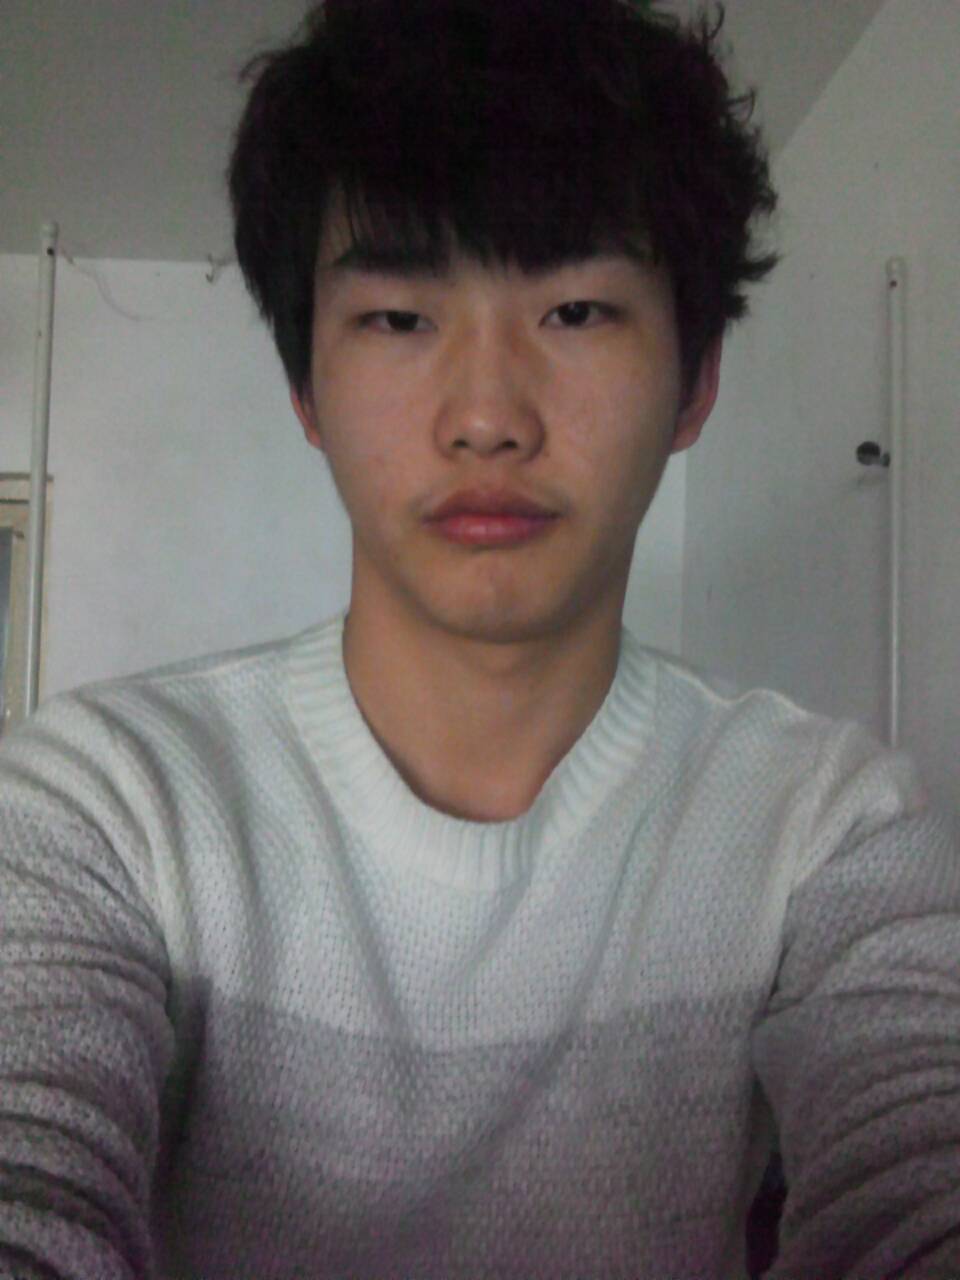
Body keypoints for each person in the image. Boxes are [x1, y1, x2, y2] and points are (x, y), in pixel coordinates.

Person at [1, 0, 958, 1275]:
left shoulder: (827, 828)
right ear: (305, 388)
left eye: (578, 311)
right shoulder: (104, 803)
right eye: (399, 317)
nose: (488, 416)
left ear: (696, 381)